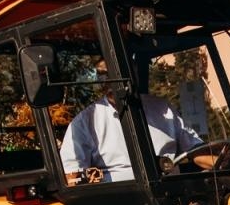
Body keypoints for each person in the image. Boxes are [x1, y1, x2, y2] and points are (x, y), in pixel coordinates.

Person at [59, 76, 212, 185]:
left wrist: (225, 164)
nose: (110, 78)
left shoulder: (162, 108)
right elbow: (72, 177)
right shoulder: (85, 122)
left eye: (116, 71)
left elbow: (197, 152)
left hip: (174, 194)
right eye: (104, 73)